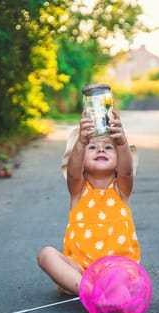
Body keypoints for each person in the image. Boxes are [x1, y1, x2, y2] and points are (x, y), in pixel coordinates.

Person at [37, 110, 140, 295]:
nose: (100, 149)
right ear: (80, 162)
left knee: (120, 275)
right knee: (46, 255)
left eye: (109, 147)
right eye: (92, 148)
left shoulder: (121, 190)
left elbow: (127, 172)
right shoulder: (78, 191)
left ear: (119, 161)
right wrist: (82, 142)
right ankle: (90, 292)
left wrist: (122, 142)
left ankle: (107, 292)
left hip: (117, 269)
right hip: (79, 271)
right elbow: (72, 173)